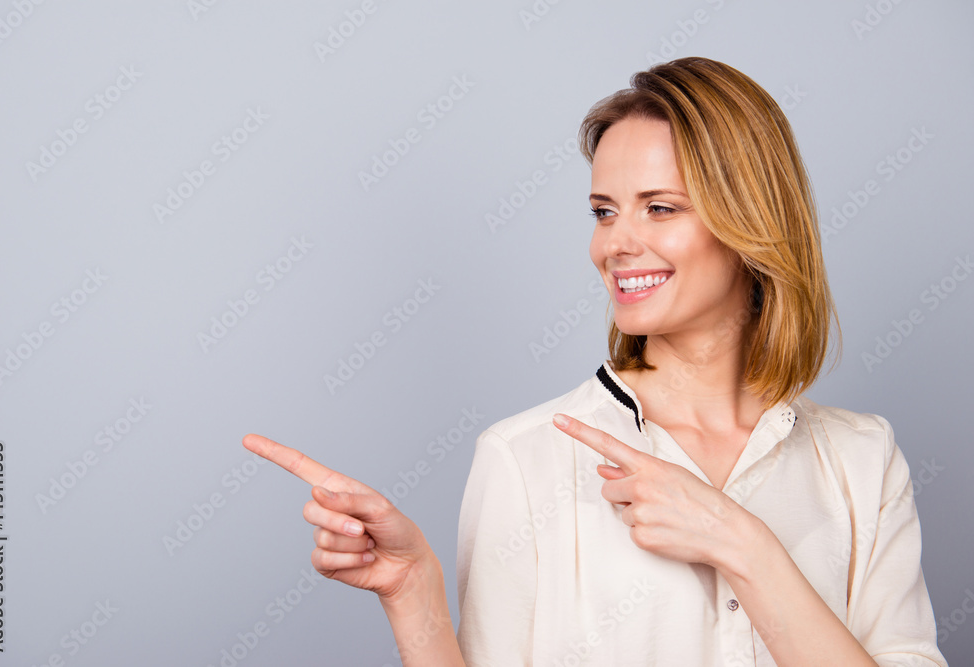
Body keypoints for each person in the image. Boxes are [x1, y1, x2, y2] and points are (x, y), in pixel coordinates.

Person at [243, 57, 947, 666]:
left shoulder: (861, 459)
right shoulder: (525, 459)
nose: (615, 244)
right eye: (604, 211)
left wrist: (742, 545)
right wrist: (413, 593)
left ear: (752, 222)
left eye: (660, 208)